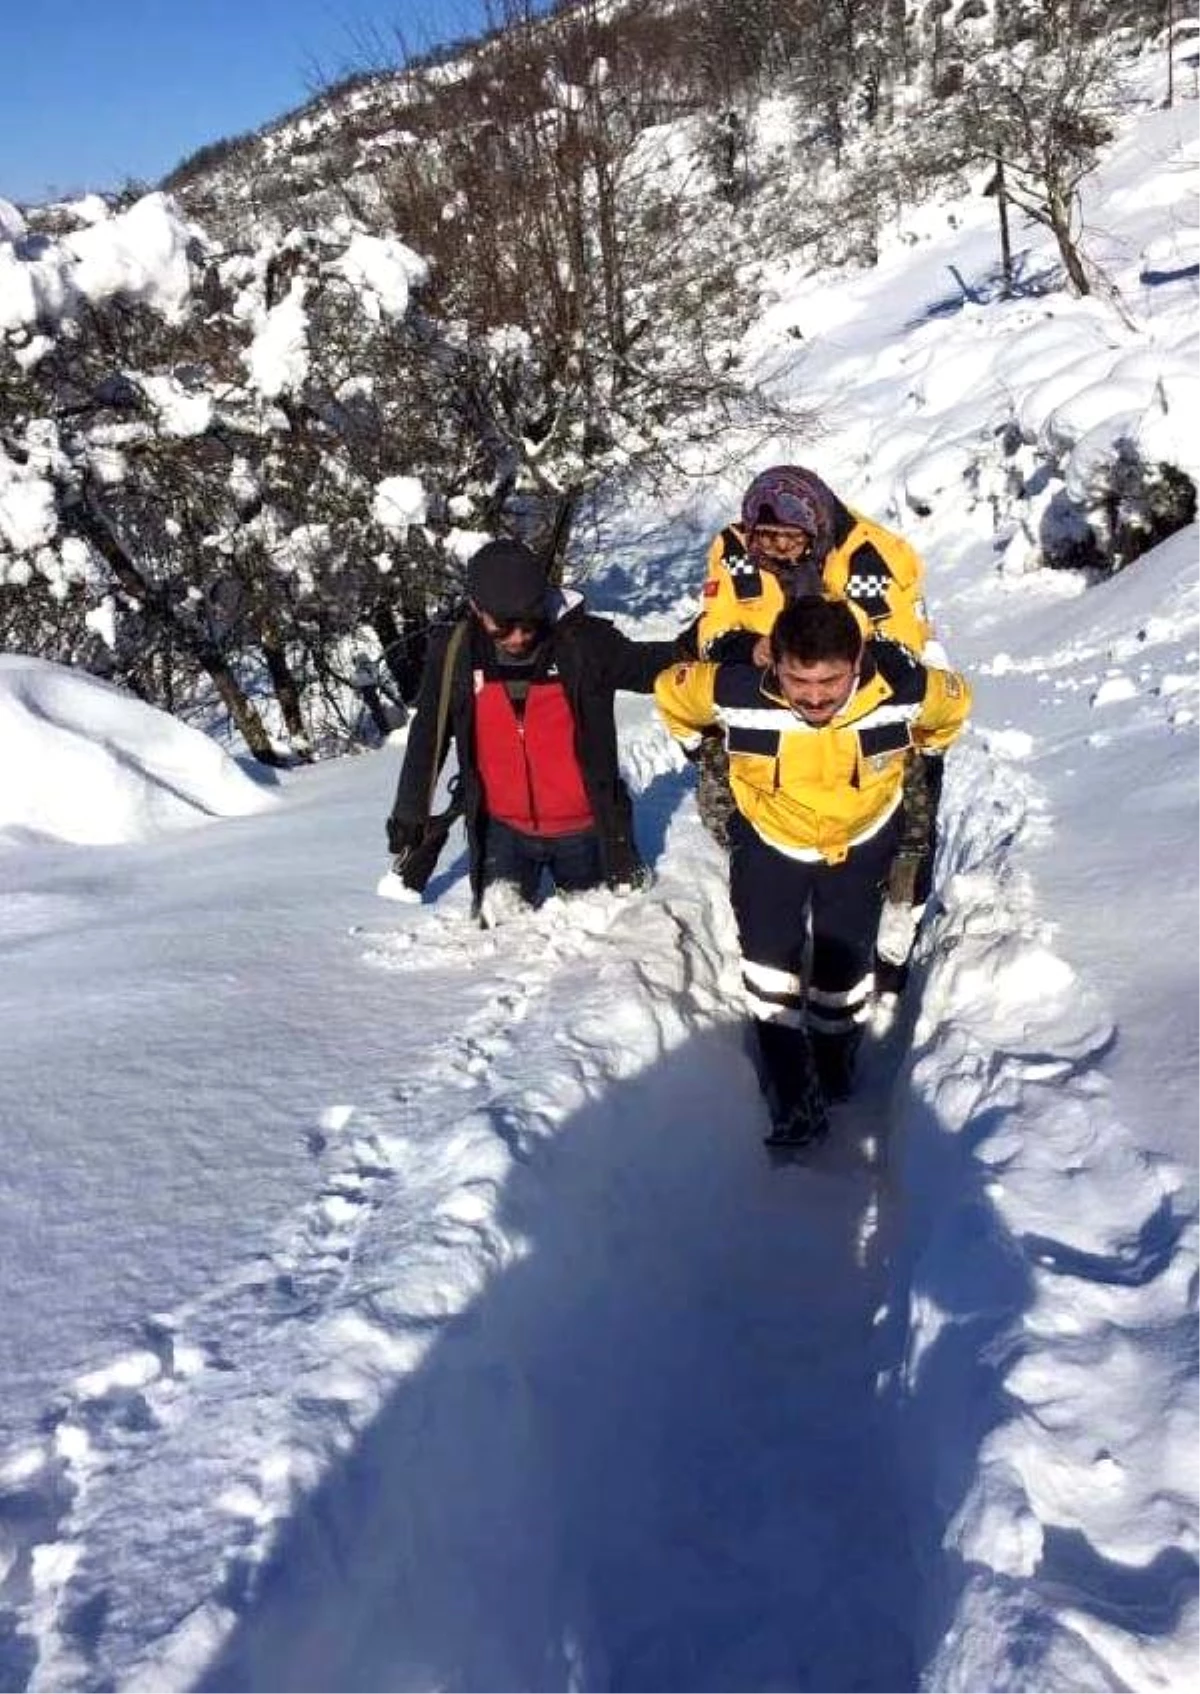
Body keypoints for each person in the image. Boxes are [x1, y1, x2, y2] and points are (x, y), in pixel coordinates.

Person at [656, 594, 971, 1148]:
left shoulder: (903, 690)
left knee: (842, 964)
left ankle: (834, 1061)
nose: (816, 698)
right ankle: (787, 1084)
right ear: (774, 662)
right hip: (770, 841)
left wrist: (921, 748)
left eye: (831, 682)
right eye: (800, 682)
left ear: (857, 663)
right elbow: (672, 693)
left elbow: (953, 706)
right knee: (769, 964)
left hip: (861, 841)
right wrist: (701, 747)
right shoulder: (733, 690)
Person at [690, 463, 951, 994]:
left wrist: (826, 664)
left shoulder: (871, 556)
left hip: (858, 687)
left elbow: (895, 646)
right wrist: (750, 649)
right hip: (771, 686)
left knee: (906, 808)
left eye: (790, 541)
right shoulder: (734, 548)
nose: (777, 553)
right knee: (740, 791)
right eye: (766, 540)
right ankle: (770, 894)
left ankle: (894, 923)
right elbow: (714, 625)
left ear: (815, 525)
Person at [386, 537, 680, 925]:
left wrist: (712, 645)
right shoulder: (457, 652)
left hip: (584, 830)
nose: (519, 636)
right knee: (501, 940)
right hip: (502, 832)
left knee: (591, 938)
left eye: (530, 621)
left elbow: (650, 667)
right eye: (503, 626)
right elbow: (428, 736)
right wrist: (409, 816)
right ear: (476, 607)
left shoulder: (583, 642)